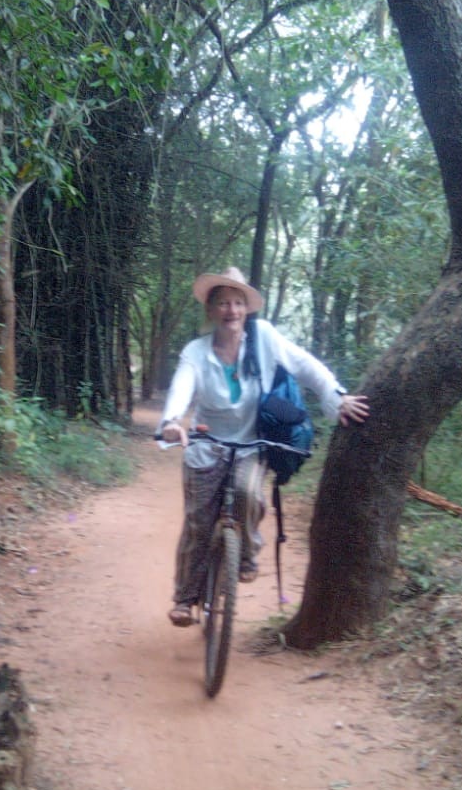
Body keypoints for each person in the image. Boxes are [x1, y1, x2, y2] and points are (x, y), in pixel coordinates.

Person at [158, 267, 369, 627]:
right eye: (223, 303)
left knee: (249, 495)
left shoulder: (265, 338)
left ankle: (245, 552)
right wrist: (171, 421)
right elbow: (182, 384)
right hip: (207, 444)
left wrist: (337, 397)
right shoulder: (196, 351)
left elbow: (305, 365)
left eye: (238, 303)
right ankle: (186, 597)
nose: (231, 311)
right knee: (198, 523)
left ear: (247, 309)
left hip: (251, 442)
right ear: (211, 310)